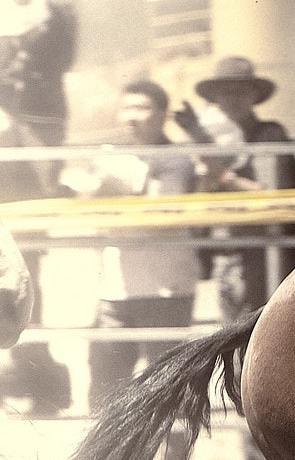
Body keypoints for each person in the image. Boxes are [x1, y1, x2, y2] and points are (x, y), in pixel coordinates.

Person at [177, 55, 295, 460]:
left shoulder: (269, 135)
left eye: (240, 90)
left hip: (270, 254)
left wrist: (218, 171)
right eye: (224, 92)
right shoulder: (217, 137)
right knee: (238, 355)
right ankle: (257, 454)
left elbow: (270, 194)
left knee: (268, 352)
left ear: (254, 96)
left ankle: (271, 457)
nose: (231, 98)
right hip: (233, 254)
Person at [66, 82, 200, 413]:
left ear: (162, 115)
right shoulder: (111, 156)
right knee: (104, 385)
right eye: (127, 108)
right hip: (115, 290)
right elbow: (86, 204)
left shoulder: (177, 159)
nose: (132, 117)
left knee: (166, 387)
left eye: (141, 108)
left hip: (165, 288)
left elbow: (161, 212)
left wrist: (110, 193)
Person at [0, 0, 76, 415]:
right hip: (7, 149)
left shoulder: (56, 20)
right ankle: (31, 368)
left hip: (33, 147)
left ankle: (37, 370)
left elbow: (59, 52)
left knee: (28, 268)